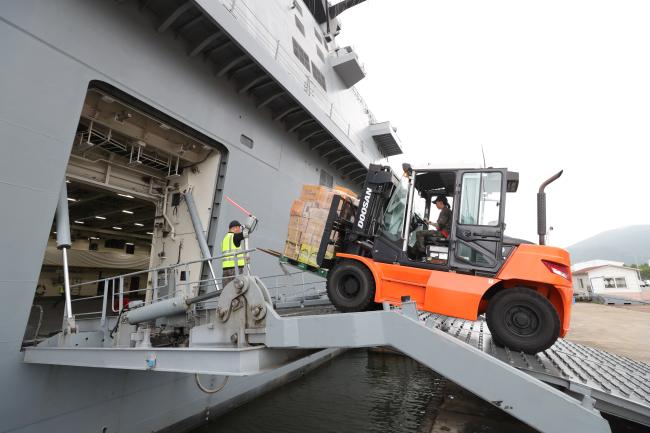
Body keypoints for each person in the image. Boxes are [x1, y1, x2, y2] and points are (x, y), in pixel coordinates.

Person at [221, 220, 246, 287]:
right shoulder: (234, 237)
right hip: (235, 269)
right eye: (239, 228)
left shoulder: (225, 238)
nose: (240, 230)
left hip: (226, 269)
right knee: (237, 289)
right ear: (234, 228)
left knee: (226, 289)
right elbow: (245, 234)